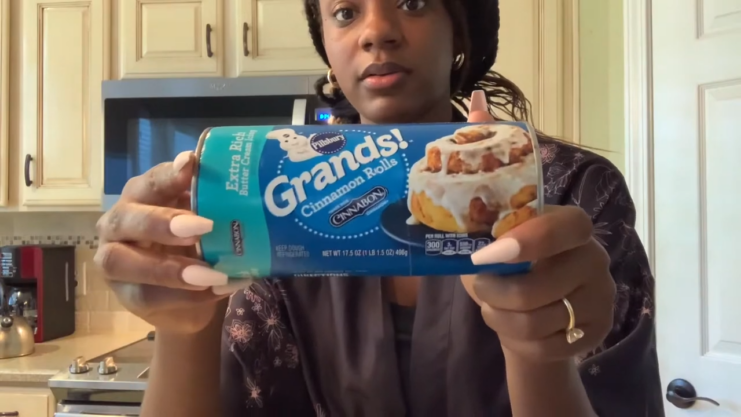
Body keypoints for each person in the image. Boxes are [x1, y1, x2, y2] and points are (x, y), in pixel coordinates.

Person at [94, 0, 665, 415]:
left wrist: (539, 356)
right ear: (326, 45)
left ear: (459, 28)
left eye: (412, 3)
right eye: (345, 12)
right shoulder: (273, 209)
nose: (377, 32)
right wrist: (181, 329)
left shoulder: (569, 191)